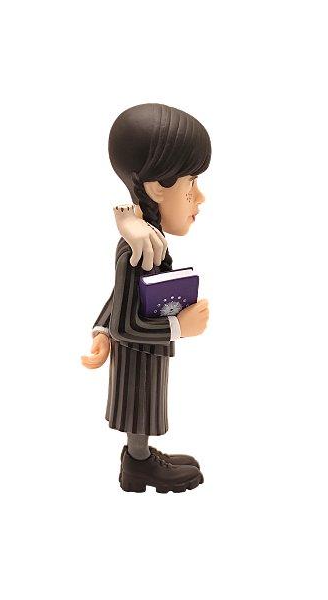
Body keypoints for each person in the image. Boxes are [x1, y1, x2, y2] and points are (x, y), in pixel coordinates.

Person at [81, 103, 211, 493]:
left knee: (146, 406)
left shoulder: (147, 238)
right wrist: (178, 327)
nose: (200, 198)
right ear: (157, 187)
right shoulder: (140, 248)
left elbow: (119, 298)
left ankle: (140, 458)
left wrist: (101, 329)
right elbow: (127, 323)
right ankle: (138, 464)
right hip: (138, 355)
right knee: (141, 407)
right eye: (191, 185)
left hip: (143, 354)